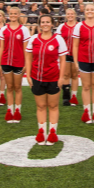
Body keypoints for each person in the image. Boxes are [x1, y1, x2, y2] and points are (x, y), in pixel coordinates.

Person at [26, 10, 65, 145]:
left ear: (52, 24)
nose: (45, 24)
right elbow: (28, 58)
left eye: (48, 22)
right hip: (37, 77)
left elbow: (63, 59)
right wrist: (28, 75)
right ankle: (42, 132)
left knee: (53, 106)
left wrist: (61, 78)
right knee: (41, 106)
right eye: (43, 22)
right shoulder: (33, 39)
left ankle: (53, 132)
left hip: (53, 77)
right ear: (39, 24)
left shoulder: (58, 39)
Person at [73, 1, 94, 124]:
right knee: (86, 86)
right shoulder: (79, 26)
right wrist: (76, 61)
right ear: (84, 11)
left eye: (91, 10)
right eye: (87, 9)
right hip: (83, 59)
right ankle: (87, 112)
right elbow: (75, 45)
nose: (89, 11)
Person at [0, 5, 30, 124]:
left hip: (18, 62)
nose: (13, 16)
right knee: (9, 87)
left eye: (15, 13)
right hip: (6, 61)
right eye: (11, 13)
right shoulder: (3, 30)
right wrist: (0, 63)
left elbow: (26, 49)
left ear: (19, 15)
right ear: (8, 15)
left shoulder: (24, 30)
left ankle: (17, 110)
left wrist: (26, 64)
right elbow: (1, 47)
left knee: (17, 87)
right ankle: (9, 110)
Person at [59, 5, 79, 106]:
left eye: (72, 14)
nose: (70, 15)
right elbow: (57, 41)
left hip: (77, 54)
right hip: (65, 54)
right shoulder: (62, 27)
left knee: (75, 75)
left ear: (75, 15)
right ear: (66, 15)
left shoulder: (79, 26)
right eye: (68, 14)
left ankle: (74, 97)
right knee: (66, 75)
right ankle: (66, 97)